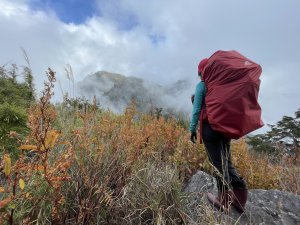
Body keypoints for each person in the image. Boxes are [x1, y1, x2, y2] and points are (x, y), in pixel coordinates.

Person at [189, 58, 248, 213]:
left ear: (201, 72)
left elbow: (196, 110)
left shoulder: (202, 86)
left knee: (218, 164)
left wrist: (192, 129)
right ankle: (240, 199)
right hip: (224, 128)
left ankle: (223, 201)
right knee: (227, 162)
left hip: (209, 130)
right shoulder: (223, 85)